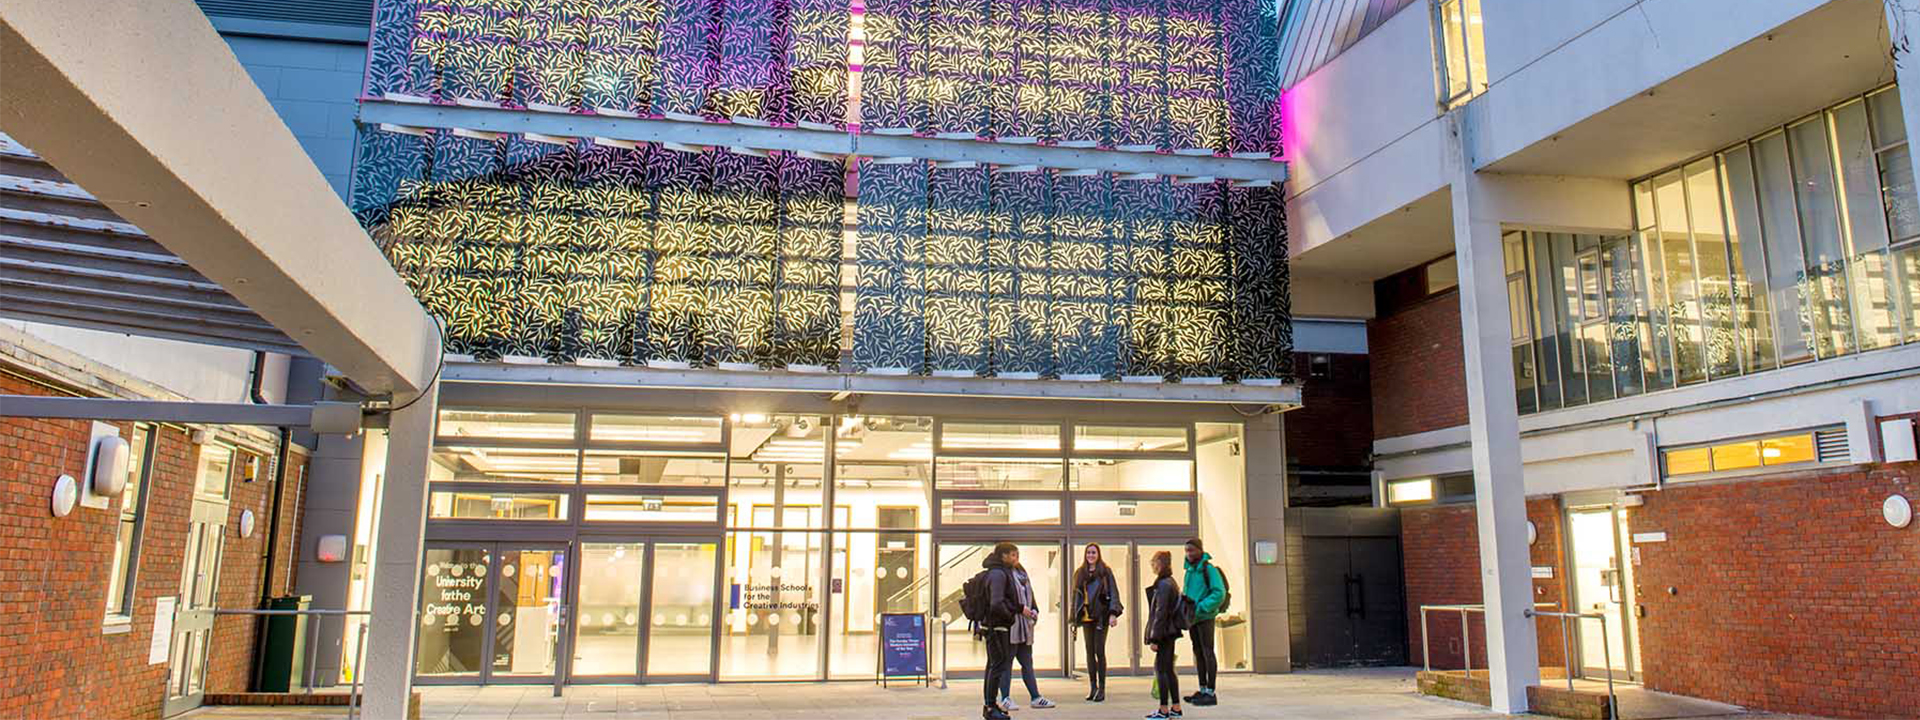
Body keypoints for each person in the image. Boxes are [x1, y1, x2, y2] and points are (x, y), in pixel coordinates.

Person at [999, 559, 1054, 710]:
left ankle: (1035, 697)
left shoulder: (1023, 574)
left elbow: (1031, 598)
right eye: (1011, 554)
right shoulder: (1004, 575)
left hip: (1025, 627)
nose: (1014, 557)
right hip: (1011, 626)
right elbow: (1003, 601)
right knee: (1007, 663)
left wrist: (1034, 610)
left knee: (1027, 663)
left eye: (1016, 554)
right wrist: (1020, 609)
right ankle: (1004, 698)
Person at [1070, 543, 1123, 703]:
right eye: (1088, 553)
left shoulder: (1105, 572)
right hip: (1086, 617)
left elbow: (1114, 592)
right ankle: (1092, 687)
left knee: (1099, 651)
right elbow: (1075, 597)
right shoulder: (1080, 573)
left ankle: (1102, 688)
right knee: (1089, 651)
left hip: (1101, 616)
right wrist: (1073, 617)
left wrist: (1113, 613)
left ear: (1098, 554)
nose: (1091, 555)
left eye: (1093, 552)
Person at [1182, 538, 1227, 707]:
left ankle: (1211, 692)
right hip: (1193, 618)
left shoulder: (1209, 569)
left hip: (1205, 617)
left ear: (1200, 550)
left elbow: (1219, 593)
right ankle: (1202, 689)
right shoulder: (1189, 571)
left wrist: (1201, 607)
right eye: (1187, 550)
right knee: (1198, 653)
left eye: (1192, 550)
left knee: (1208, 652)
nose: (1189, 553)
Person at [980, 543, 1022, 720]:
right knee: (997, 666)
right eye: (1012, 555)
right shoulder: (998, 574)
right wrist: (1010, 616)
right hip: (997, 627)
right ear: (1003, 556)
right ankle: (990, 707)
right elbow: (996, 602)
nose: (1015, 559)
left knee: (994, 665)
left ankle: (990, 705)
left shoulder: (997, 571)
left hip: (994, 626)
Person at [1144, 550, 1184, 719]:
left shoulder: (1163, 584)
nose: (1152, 565)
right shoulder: (1170, 582)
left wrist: (1155, 638)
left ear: (1160, 563)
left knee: (1161, 670)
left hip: (1164, 634)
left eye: (1153, 562)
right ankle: (1175, 707)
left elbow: (1160, 614)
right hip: (1171, 632)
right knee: (1168, 670)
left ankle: (1163, 710)